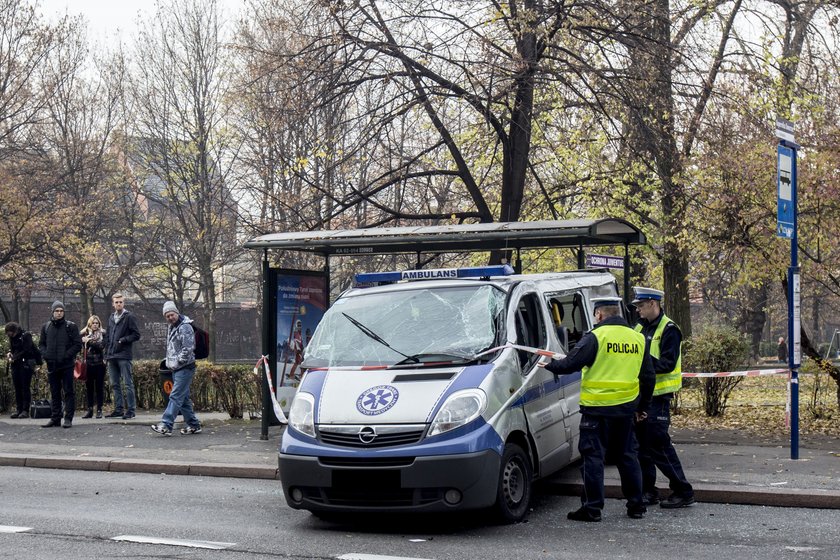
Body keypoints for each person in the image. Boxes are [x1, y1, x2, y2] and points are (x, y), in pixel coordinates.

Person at [543, 296, 654, 522]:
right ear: (619, 313)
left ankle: (592, 509)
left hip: (597, 411)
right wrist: (642, 407)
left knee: (593, 458)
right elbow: (648, 376)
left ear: (599, 314)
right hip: (625, 410)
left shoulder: (596, 337)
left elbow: (570, 364)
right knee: (627, 457)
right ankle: (637, 505)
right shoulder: (638, 338)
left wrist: (549, 364)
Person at [632, 286, 695, 509]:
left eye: (641, 305)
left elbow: (667, 363)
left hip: (658, 398)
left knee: (658, 445)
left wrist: (641, 365)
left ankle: (683, 491)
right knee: (642, 447)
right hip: (641, 396)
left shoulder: (670, 329)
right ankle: (649, 491)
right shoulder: (640, 326)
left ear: (653, 304)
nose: (638, 310)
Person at [151, 301, 202, 436]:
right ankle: (194, 425)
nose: (170, 318)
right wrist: (170, 362)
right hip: (176, 367)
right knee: (183, 398)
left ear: (177, 313)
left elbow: (188, 348)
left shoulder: (185, 327)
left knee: (175, 396)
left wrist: (178, 362)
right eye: (167, 316)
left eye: (172, 315)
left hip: (185, 367)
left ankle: (166, 424)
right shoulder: (172, 327)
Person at [38, 301, 83, 428]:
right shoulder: (46, 327)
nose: (59, 313)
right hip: (52, 365)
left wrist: (67, 355)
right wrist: (45, 354)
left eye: (61, 311)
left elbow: (77, 344)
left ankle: (68, 418)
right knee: (55, 392)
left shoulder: (71, 326)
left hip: (67, 365)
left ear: (64, 312)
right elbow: (41, 344)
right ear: (52, 312)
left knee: (69, 391)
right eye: (56, 311)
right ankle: (55, 418)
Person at [103, 292, 141, 419]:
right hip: (111, 356)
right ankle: (118, 409)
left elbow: (136, 335)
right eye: (116, 302)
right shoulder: (111, 317)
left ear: (123, 303)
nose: (119, 304)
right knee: (114, 384)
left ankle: (131, 410)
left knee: (127, 384)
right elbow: (107, 335)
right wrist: (106, 352)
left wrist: (123, 340)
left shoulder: (129, 316)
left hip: (124, 355)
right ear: (113, 304)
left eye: (121, 302)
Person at [4, 322, 37, 418]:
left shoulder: (26, 335)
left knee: (25, 387)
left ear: (15, 331)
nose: (10, 336)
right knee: (17, 387)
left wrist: (14, 357)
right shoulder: (12, 337)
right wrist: (10, 353)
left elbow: (27, 350)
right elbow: (12, 348)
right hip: (16, 365)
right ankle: (19, 409)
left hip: (25, 364)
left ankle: (25, 410)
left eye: (11, 333)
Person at [80, 315, 107, 419]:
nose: (95, 325)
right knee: (89, 388)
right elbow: (79, 342)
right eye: (93, 323)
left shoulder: (103, 333)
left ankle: (99, 410)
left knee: (99, 388)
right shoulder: (84, 333)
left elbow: (101, 346)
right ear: (89, 324)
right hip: (88, 364)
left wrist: (89, 341)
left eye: (97, 323)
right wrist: (85, 339)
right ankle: (90, 410)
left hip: (100, 364)